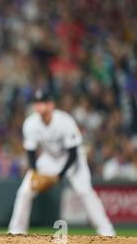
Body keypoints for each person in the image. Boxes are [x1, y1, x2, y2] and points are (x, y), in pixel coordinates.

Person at [8, 89, 115, 236]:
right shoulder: (31, 123)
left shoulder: (65, 121)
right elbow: (31, 153)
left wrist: (59, 176)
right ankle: (16, 230)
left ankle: (106, 230)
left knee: (85, 191)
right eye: (38, 103)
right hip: (49, 158)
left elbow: (72, 154)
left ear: (51, 104)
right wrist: (34, 172)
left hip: (72, 159)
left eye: (43, 102)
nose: (40, 106)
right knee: (25, 191)